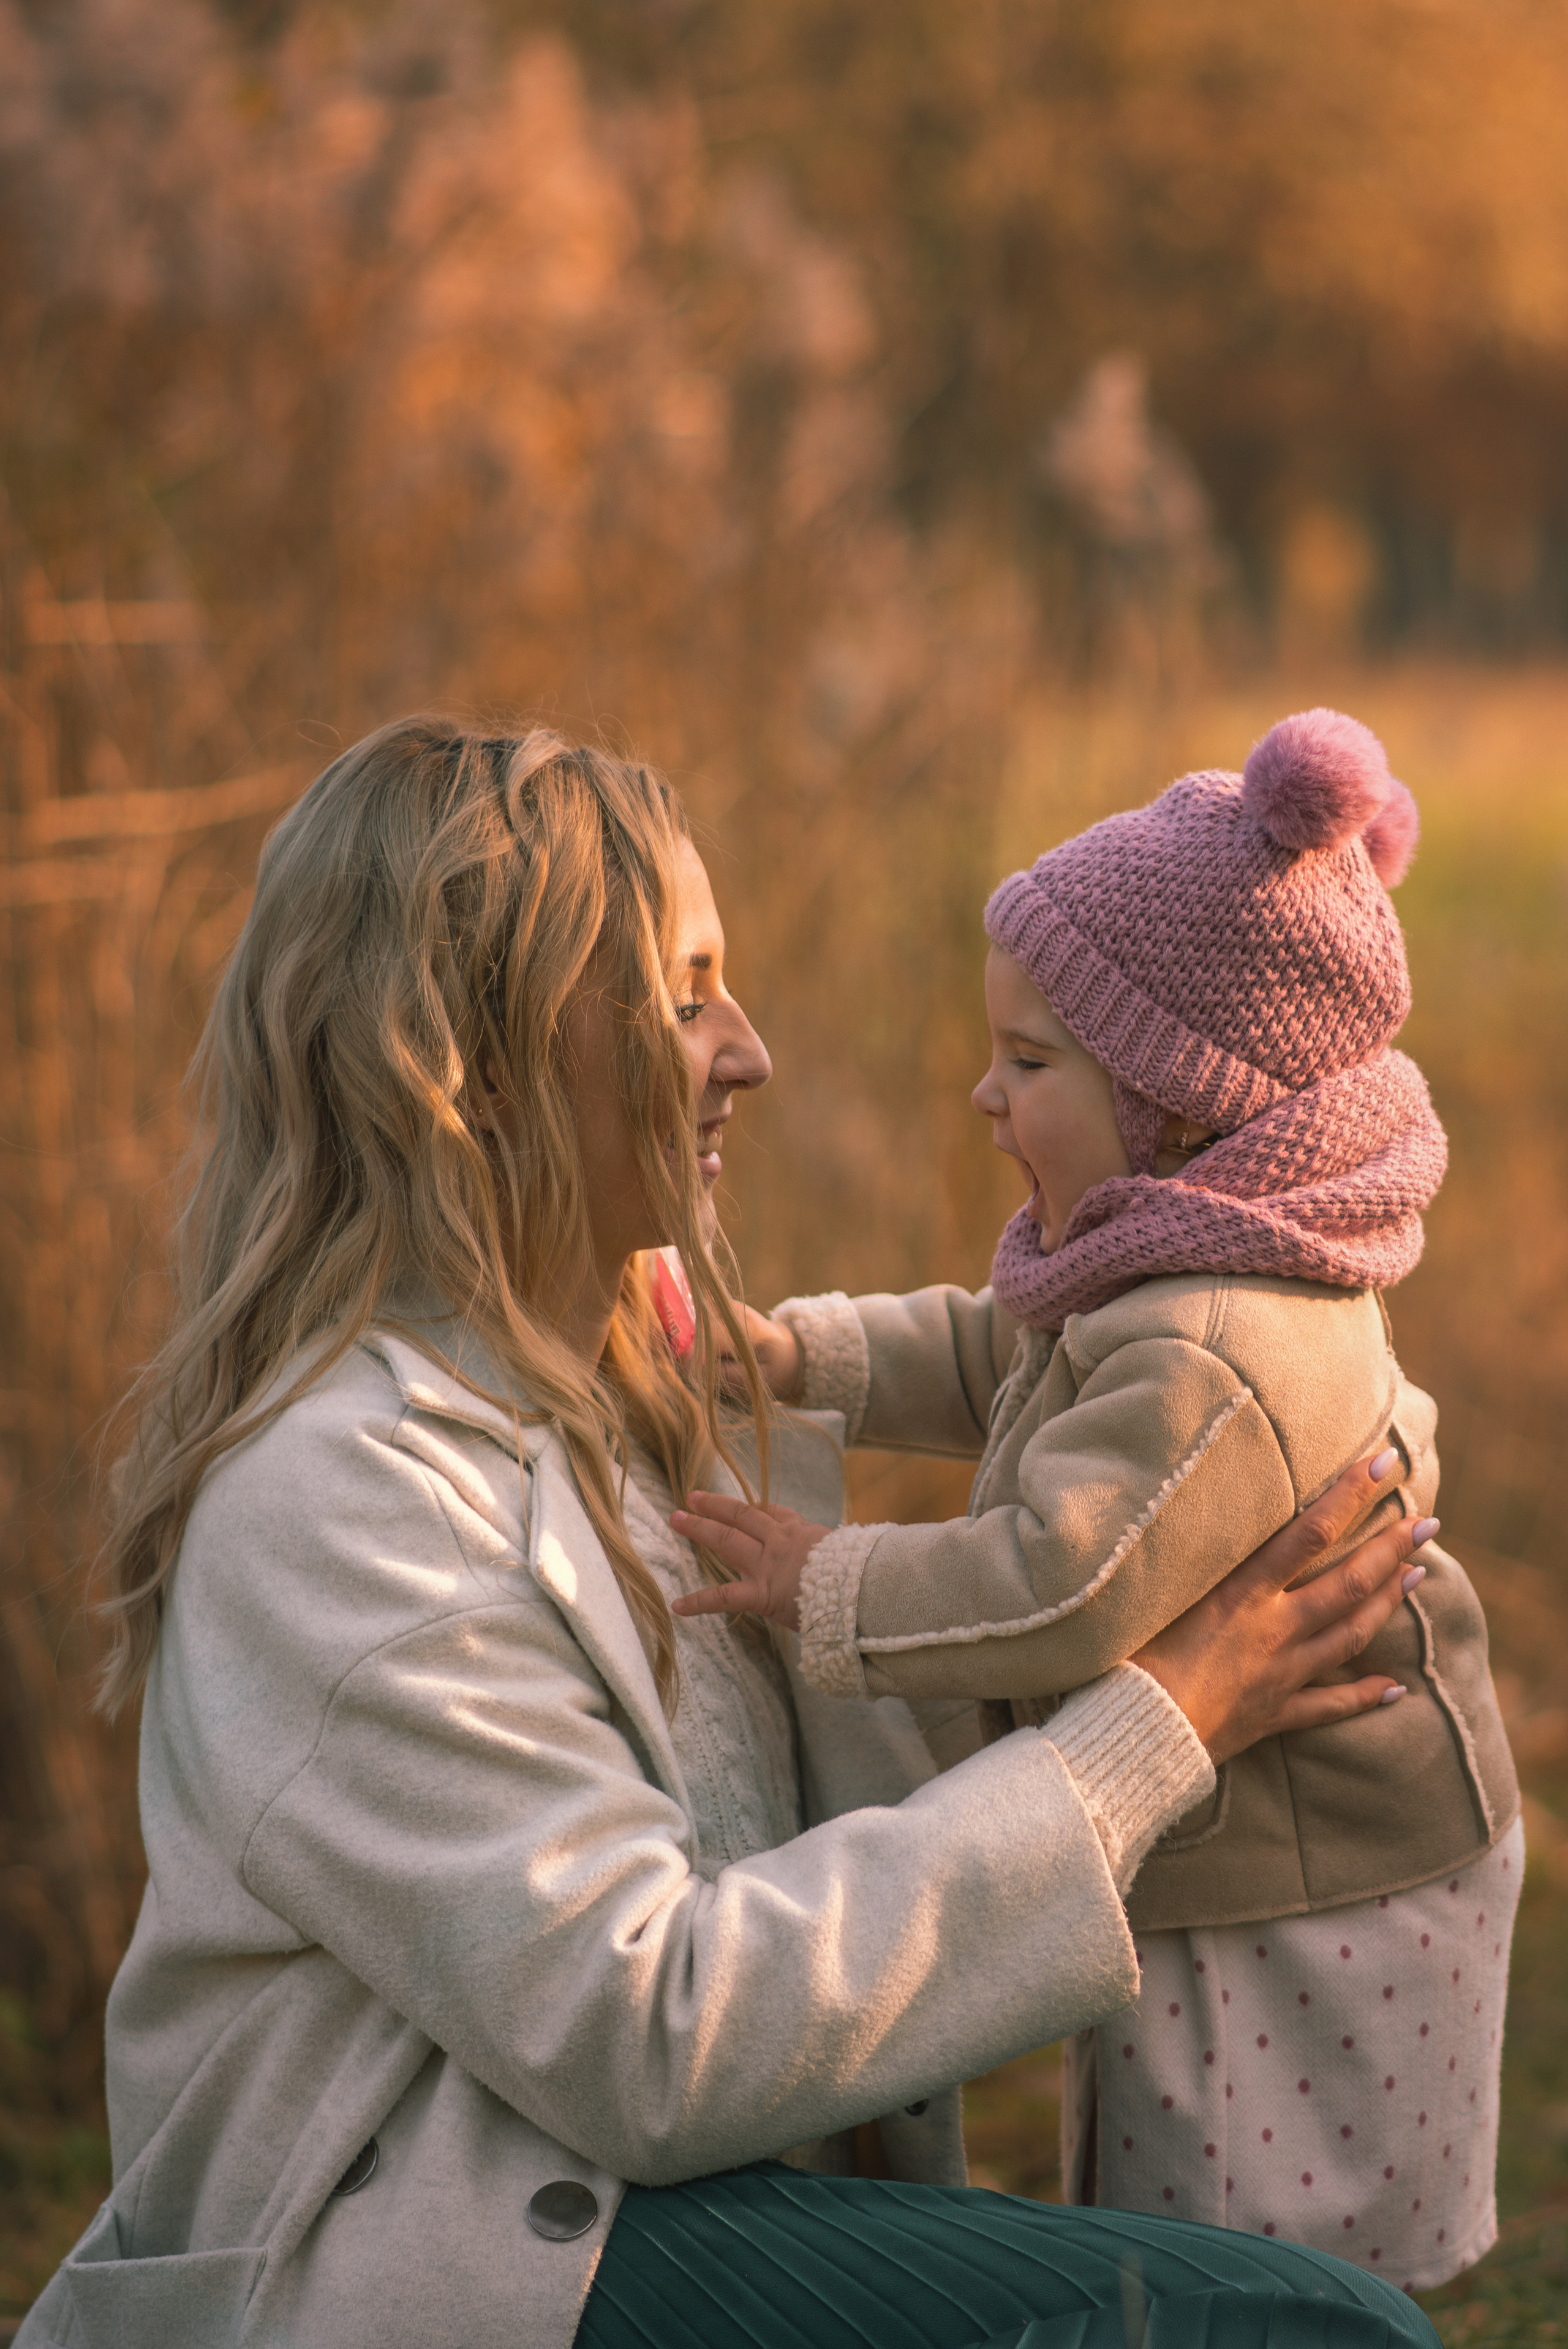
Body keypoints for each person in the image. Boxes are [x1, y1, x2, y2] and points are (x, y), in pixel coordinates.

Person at [18, 721, 1442, 2349]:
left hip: (675, 2224)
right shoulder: (340, 1492)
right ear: (470, 1058)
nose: (747, 1048)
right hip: (473, 2271)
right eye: (684, 991)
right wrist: (1163, 1720)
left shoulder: (642, 1390)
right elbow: (654, 2030)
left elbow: (844, 1851)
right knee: (1308, 2336)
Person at [674, 709, 1520, 2296]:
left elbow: (1069, 1584)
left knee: (1221, 2241)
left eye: (1032, 1061)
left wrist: (829, 1581)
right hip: (1250, 1850)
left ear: (1184, 1099)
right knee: (1182, 2207)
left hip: (1310, 1890)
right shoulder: (1171, 1249)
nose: (985, 1095)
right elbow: (997, 1348)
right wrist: (801, 1355)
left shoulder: (1219, 1335)